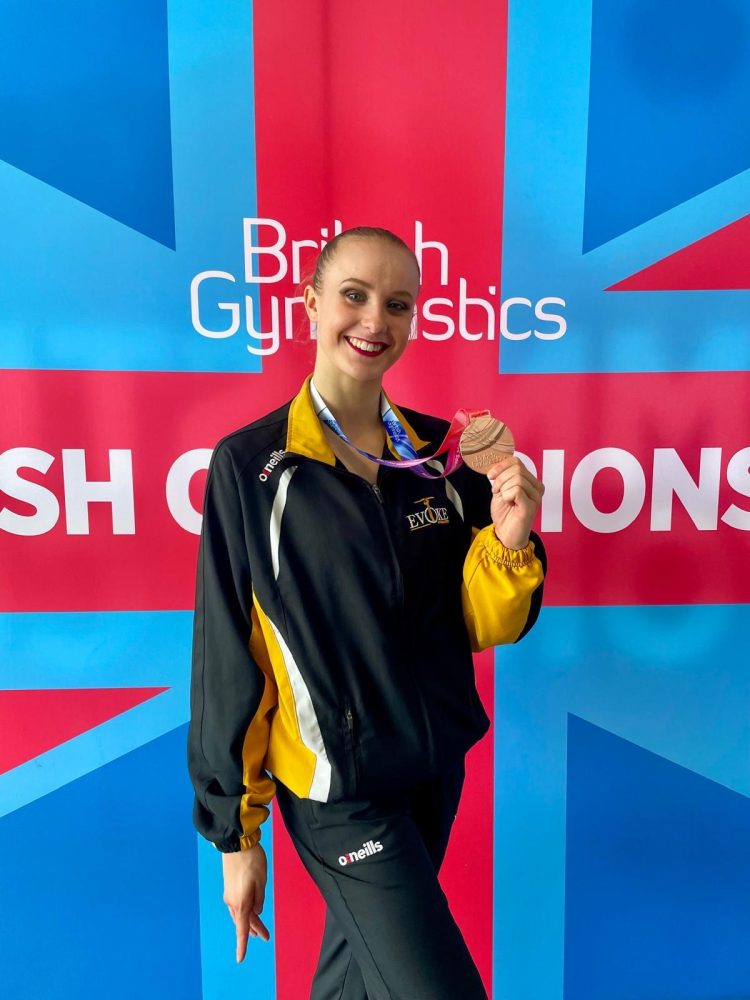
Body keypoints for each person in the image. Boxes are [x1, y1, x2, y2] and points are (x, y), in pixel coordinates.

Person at [187, 226, 546, 1000]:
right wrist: (236, 837)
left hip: (430, 769)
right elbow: (229, 655)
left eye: (397, 303)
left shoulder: (438, 455)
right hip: (339, 793)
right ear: (312, 302)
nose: (373, 320)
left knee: (355, 983)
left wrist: (511, 536)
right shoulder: (251, 468)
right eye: (353, 295)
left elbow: (485, 624)